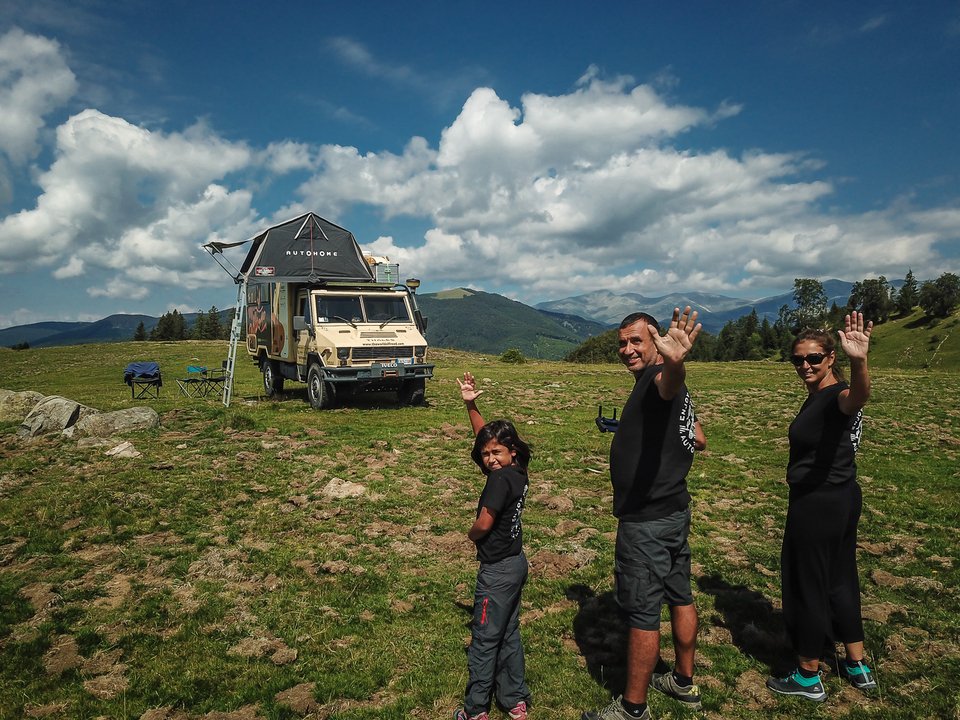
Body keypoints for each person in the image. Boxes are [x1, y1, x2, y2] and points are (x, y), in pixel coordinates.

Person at [583, 308, 703, 720]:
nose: (627, 349)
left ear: (655, 341)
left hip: (647, 521)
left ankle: (633, 708)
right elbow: (698, 436)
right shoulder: (651, 385)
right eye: (622, 342)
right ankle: (683, 682)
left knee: (642, 613)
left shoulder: (658, 379)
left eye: (636, 340)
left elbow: (670, 384)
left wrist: (674, 363)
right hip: (674, 510)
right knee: (680, 595)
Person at [766, 312, 878, 702]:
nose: (805, 366)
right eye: (798, 360)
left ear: (831, 358)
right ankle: (856, 663)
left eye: (814, 358)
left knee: (807, 583)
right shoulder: (820, 396)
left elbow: (859, 397)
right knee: (840, 578)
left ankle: (808, 674)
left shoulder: (837, 397)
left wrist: (860, 361)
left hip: (818, 502)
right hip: (843, 497)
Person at [454, 372, 533, 720]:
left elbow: (484, 522)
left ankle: (475, 710)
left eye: (497, 453)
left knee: (485, 639)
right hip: (516, 563)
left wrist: (470, 535)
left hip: (496, 571)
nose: (490, 459)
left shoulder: (497, 482)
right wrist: (472, 405)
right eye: (485, 455)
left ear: (511, 451)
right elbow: (486, 439)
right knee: (509, 633)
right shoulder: (517, 471)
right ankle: (515, 700)